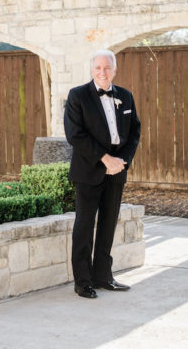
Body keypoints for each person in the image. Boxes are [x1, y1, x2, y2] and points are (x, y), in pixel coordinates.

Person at [64, 49, 140, 299]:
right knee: (84, 227)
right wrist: (104, 158)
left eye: (107, 67)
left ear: (115, 70)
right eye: (98, 68)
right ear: (91, 70)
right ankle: (83, 281)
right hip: (89, 171)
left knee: (108, 224)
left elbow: (135, 132)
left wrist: (122, 162)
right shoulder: (77, 96)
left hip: (117, 171)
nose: (102, 72)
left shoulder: (126, 97)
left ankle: (103, 276)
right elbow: (75, 135)